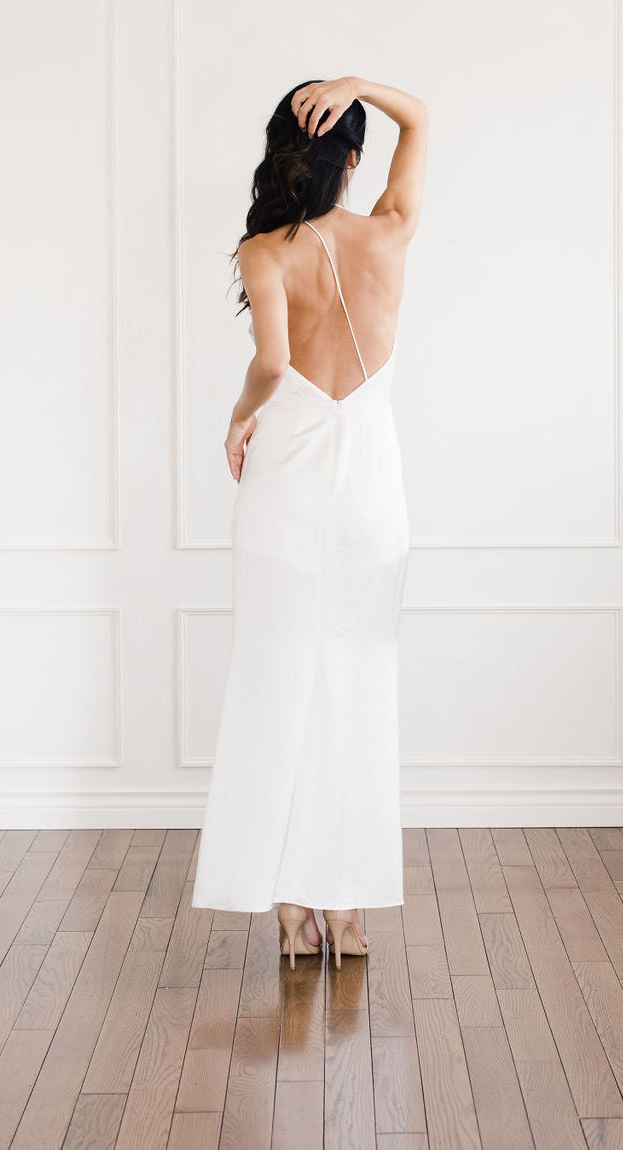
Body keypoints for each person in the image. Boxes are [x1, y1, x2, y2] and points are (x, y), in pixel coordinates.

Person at [190, 74, 428, 968]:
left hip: (285, 487)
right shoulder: (390, 233)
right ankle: (347, 908)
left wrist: (236, 419)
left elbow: (273, 362)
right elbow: (422, 119)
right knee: (358, 690)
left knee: (277, 682)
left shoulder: (265, 250)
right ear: (353, 156)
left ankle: (289, 905)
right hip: (372, 494)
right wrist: (360, 84)